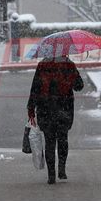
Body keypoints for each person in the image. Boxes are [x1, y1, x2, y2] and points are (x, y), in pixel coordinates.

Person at [27, 55, 84, 184]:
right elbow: (79, 86)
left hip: (45, 109)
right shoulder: (69, 64)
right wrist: (71, 77)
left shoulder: (42, 65)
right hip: (64, 108)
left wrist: (31, 107)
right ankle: (62, 170)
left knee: (49, 142)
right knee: (63, 139)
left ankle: (51, 175)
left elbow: (35, 88)